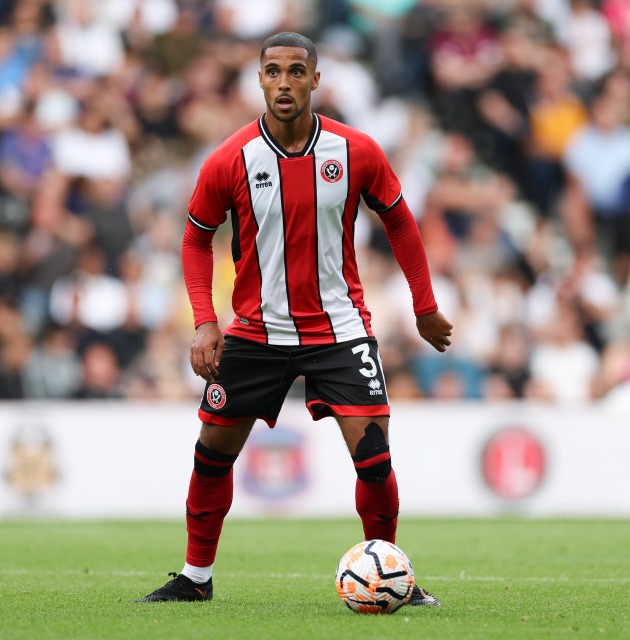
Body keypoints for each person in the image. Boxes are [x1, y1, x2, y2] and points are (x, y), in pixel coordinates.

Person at [137, 32, 453, 606]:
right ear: (259, 80)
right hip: (257, 332)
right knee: (212, 452)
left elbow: (401, 223)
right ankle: (195, 578)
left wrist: (424, 306)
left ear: (315, 80)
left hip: (340, 329)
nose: (285, 83)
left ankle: (389, 576)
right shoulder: (230, 159)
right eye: (274, 72)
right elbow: (194, 238)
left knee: (376, 459)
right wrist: (205, 320)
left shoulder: (355, 151)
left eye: (296, 72)